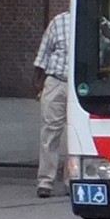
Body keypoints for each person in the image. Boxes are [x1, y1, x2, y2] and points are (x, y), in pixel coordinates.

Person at [33, 10, 71, 198]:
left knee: (72, 135)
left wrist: (104, 26)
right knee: (50, 130)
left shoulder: (97, 22)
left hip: (78, 85)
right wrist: (38, 82)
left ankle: (70, 181)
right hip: (56, 80)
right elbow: (44, 52)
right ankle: (45, 181)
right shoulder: (59, 21)